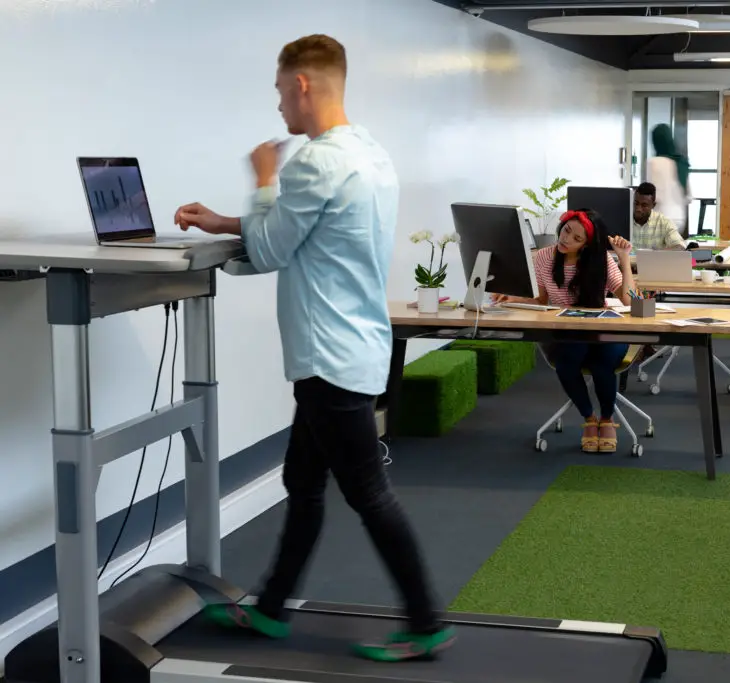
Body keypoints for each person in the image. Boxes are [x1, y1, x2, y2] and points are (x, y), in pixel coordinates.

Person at [172, 34, 455, 662]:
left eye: (279, 91)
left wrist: (264, 178)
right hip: (352, 346)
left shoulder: (311, 161)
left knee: (367, 493)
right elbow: (308, 231)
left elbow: (274, 248)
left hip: (328, 355)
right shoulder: (370, 153)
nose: (278, 108)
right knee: (302, 479)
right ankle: (271, 609)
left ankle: (427, 621)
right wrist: (224, 222)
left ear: (302, 84)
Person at [493, 209, 634, 453]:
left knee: (604, 362)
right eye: (567, 230)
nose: (566, 239)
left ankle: (607, 419)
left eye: (577, 238)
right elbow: (541, 300)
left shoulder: (600, 260)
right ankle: (589, 419)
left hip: (601, 333)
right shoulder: (544, 257)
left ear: (587, 245)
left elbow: (631, 301)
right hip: (567, 334)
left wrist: (624, 259)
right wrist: (511, 297)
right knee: (567, 360)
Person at [647, 123, 690, 237]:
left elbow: (653, 195)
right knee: (671, 251)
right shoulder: (681, 162)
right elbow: (688, 197)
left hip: (661, 218)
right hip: (679, 218)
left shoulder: (653, 162)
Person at [631, 182, 685, 250]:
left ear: (653, 205)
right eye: (636, 203)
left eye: (644, 205)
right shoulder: (623, 219)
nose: (638, 209)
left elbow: (680, 246)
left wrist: (656, 255)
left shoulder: (664, 222)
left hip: (654, 260)